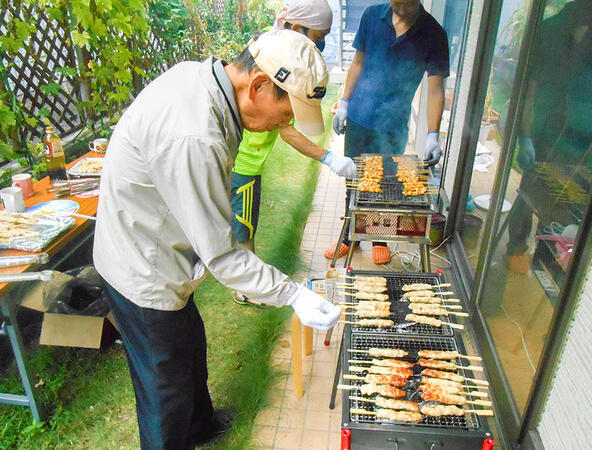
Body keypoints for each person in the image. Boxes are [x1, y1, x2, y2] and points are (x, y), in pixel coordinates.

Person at [93, 30, 341, 449]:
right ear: (259, 85)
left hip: (162, 245)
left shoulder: (203, 80)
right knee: (163, 385)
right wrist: (294, 294)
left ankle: (201, 426)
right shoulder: (195, 136)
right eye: (287, 113)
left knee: (189, 346)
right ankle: (173, 438)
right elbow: (223, 256)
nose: (288, 124)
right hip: (141, 266)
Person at [232, 0, 356, 306]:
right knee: (241, 227)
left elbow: (284, 126)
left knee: (240, 225)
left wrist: (329, 158)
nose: (322, 42)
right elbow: (286, 130)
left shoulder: (278, 56)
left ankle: (248, 281)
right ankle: (247, 287)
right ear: (298, 28)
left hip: (247, 165)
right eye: (320, 34)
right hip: (242, 165)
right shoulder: (273, 65)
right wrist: (328, 158)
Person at [326, 0, 449, 264]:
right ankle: (351, 237)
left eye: (405, 4)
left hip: (393, 124)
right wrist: (345, 102)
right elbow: (358, 62)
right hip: (359, 115)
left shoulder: (434, 33)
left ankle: (378, 238)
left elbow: (436, 87)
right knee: (354, 180)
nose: (399, 8)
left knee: (384, 184)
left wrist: (432, 134)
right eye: (395, 3)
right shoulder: (372, 16)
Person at [507, 0, 592, 273]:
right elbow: (528, 88)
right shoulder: (548, 31)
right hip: (544, 127)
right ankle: (516, 247)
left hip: (579, 136)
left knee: (565, 197)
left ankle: (547, 255)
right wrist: (525, 137)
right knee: (531, 190)